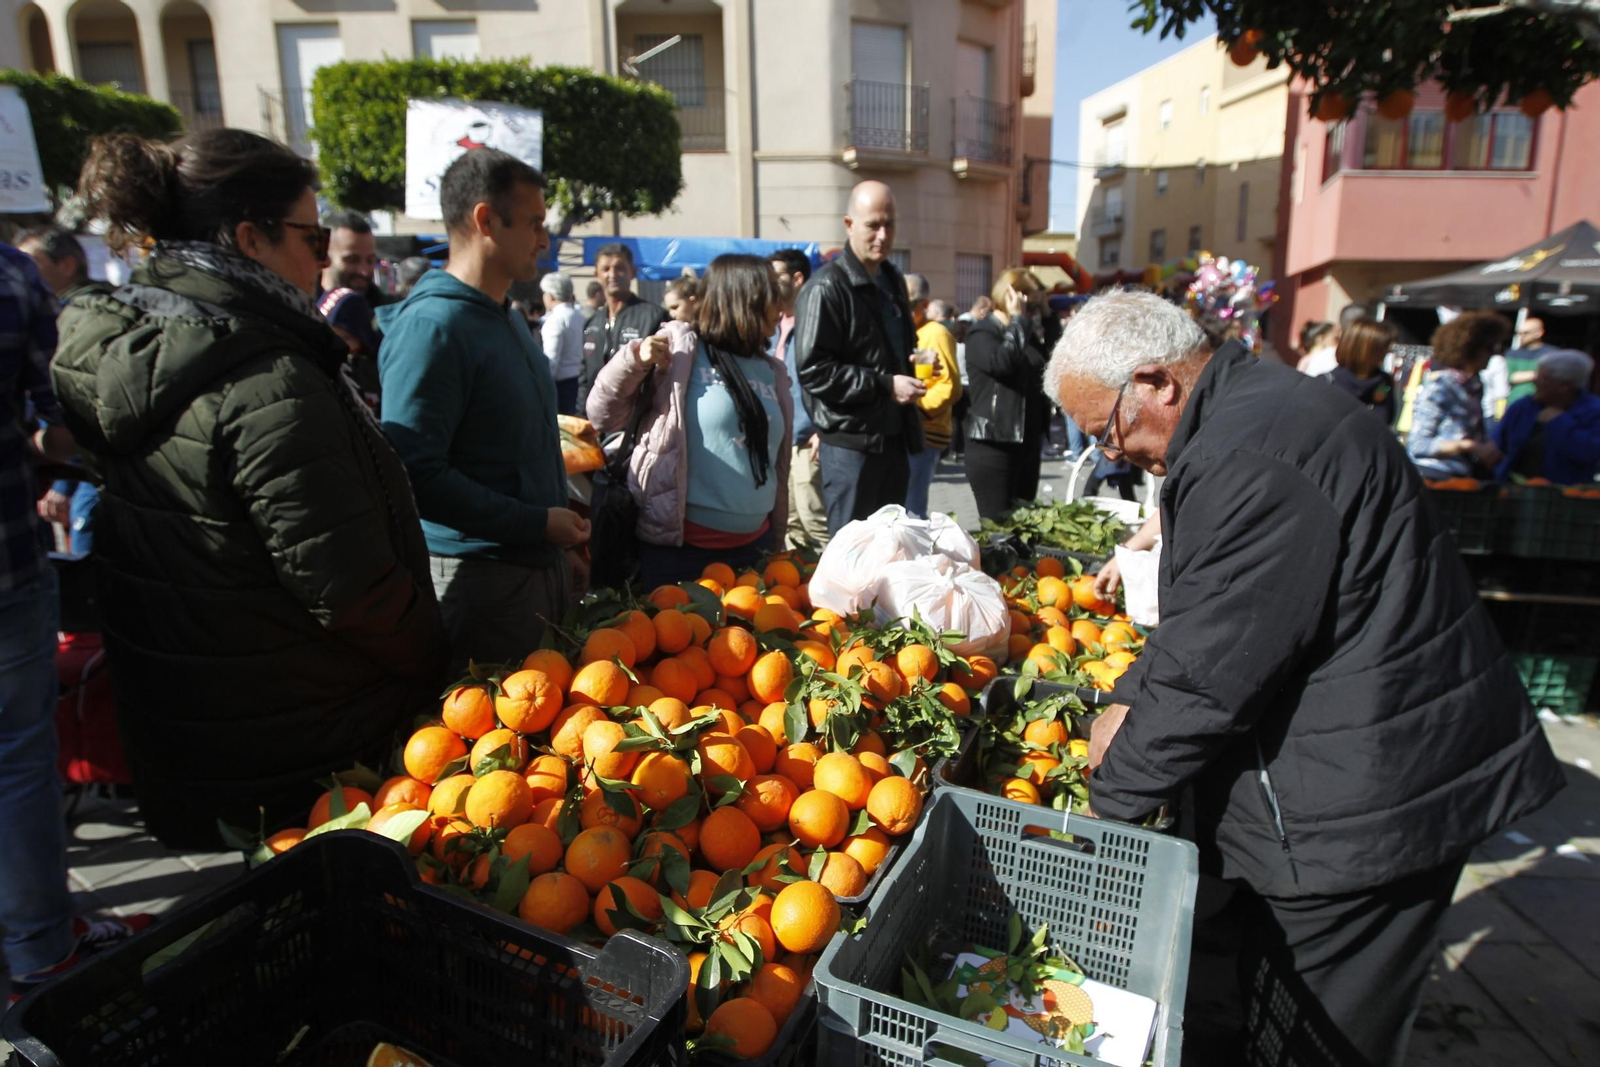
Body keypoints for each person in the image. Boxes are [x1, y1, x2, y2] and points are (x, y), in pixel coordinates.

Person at [1046, 289, 1563, 1067]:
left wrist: (1110, 793)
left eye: (1107, 429)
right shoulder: (1250, 416)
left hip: (1373, 805)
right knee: (1268, 1004)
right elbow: (1213, 615)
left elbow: (1211, 675)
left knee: (1326, 1036)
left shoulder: (1249, 455)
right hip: (1358, 764)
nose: (1112, 453)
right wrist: (1126, 698)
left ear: (1157, 380)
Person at [50, 128, 446, 850]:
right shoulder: (265, 380)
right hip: (302, 742)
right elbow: (348, 584)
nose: (324, 259)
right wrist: (435, 656)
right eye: (311, 236)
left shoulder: (141, 345)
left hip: (198, 731)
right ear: (249, 240)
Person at [1, 240, 154, 1001]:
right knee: (17, 757)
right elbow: (52, 424)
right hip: (5, 563)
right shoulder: (8, 277)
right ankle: (38, 946)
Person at [378, 148, 589, 669]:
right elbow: (415, 474)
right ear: (484, 220)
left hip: (534, 571)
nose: (545, 240)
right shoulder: (433, 328)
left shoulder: (510, 317)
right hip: (482, 582)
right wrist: (536, 525)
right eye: (535, 223)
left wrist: (557, 546)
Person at [587, 254, 792, 587]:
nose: (781, 304)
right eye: (771, 293)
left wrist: (777, 540)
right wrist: (633, 360)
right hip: (680, 555)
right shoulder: (681, 351)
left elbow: (777, 466)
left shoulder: (772, 369)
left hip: (755, 550)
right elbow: (602, 413)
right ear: (744, 298)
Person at [792, 181, 925, 534]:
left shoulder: (892, 278)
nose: (883, 235)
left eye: (890, 224)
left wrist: (912, 363)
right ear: (849, 224)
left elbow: (885, 350)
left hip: (893, 438)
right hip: (852, 444)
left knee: (891, 547)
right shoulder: (825, 287)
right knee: (852, 556)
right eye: (873, 225)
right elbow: (814, 371)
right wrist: (884, 385)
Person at [16, 227, 110, 554]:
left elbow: (82, 406)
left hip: (89, 475)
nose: (20, 271)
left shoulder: (83, 318)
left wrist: (62, 483)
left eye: (30, 261)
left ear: (67, 264)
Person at [962, 268, 1050, 519]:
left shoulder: (1025, 335)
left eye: (1035, 307)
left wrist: (1047, 313)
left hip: (1027, 443)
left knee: (1025, 528)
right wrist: (1019, 319)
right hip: (994, 443)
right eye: (1029, 306)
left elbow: (1056, 358)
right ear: (1012, 298)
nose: (1032, 313)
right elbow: (1003, 364)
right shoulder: (982, 333)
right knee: (999, 530)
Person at [1406, 311, 1508, 480]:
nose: (1493, 354)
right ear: (1470, 348)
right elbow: (1417, 444)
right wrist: (1468, 446)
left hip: (1462, 477)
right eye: (1489, 348)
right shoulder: (1442, 386)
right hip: (1433, 477)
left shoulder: (1474, 385)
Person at [770, 249, 827, 549]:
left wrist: (823, 429)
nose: (769, 283)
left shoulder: (816, 321)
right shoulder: (771, 324)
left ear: (797, 278)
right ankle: (797, 589)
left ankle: (839, 590)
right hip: (778, 439)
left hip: (807, 437)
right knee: (788, 524)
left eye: (775, 275)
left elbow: (830, 377)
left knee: (814, 520)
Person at [580, 243, 668, 414]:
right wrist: (582, 419)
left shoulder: (653, 316)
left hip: (637, 422)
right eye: (606, 269)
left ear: (632, 273)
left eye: (619, 268)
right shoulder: (591, 324)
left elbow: (665, 375)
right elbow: (584, 379)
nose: (612, 275)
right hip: (598, 423)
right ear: (596, 275)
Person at [1492, 349, 1600, 484]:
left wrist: (1559, 422)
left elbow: (1590, 452)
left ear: (1564, 386)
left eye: (1542, 378)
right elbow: (1497, 444)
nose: (1534, 381)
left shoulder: (1594, 411)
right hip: (1513, 489)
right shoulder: (1523, 407)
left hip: (1566, 495)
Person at [903, 274, 961, 519]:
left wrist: (916, 407)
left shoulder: (935, 334)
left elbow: (949, 387)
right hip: (908, 431)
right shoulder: (910, 330)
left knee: (912, 510)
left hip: (924, 433)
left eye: (906, 303)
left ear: (924, 305)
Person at [317, 286, 383, 413]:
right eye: (327, 335)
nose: (334, 344)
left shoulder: (377, 369)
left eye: (345, 338)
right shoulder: (318, 364)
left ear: (362, 337)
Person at [1320, 317, 1397, 425]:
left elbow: (1384, 422)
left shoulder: (1384, 382)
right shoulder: (1327, 382)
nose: (1387, 351)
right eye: (1381, 347)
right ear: (1363, 348)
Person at [539, 271, 586, 415]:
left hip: (563, 387)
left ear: (550, 296)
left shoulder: (553, 321)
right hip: (582, 381)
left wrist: (543, 389)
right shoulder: (582, 317)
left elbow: (551, 359)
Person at [319, 209, 385, 302]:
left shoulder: (387, 312)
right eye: (353, 260)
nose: (364, 271)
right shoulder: (300, 307)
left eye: (370, 260)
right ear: (324, 257)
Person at [1503, 316, 1548, 407]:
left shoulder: (1551, 354)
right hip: (1513, 402)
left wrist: (1522, 375)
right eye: (1519, 333)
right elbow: (1509, 376)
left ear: (1539, 333)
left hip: (1541, 403)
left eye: (1526, 333)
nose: (1521, 336)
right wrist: (1537, 374)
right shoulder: (1511, 354)